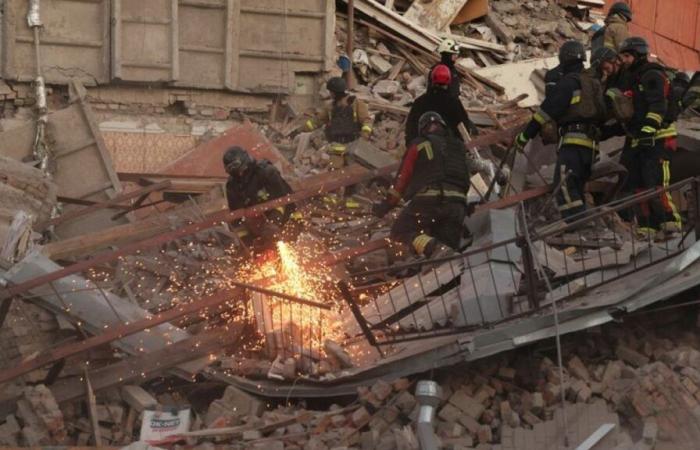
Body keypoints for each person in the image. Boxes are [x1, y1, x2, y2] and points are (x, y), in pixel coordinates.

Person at [372, 112, 499, 259]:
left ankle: (432, 247)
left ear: (423, 129)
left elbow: (402, 180)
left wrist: (386, 205)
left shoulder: (419, 144)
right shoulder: (458, 147)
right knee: (447, 255)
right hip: (457, 206)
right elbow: (472, 168)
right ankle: (441, 263)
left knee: (400, 231)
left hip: (429, 201)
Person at [513, 40, 607, 221]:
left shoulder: (567, 84)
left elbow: (544, 113)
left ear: (564, 59)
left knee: (564, 185)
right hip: (591, 147)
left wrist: (525, 136)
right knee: (577, 186)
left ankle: (575, 224)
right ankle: (582, 223)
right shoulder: (593, 84)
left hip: (572, 144)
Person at [615, 36, 681, 237]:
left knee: (657, 183)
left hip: (659, 137)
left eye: (627, 56)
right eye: (622, 56)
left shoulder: (652, 74)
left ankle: (670, 224)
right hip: (640, 139)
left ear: (639, 55)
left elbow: (657, 105)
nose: (624, 60)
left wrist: (647, 129)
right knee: (638, 185)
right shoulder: (632, 78)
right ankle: (647, 226)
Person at [223, 146, 296, 246]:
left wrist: (273, 222)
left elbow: (283, 200)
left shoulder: (266, 172)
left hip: (288, 219)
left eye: (241, 169)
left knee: (295, 244)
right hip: (261, 228)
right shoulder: (232, 186)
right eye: (235, 172)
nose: (240, 174)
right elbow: (237, 217)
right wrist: (246, 241)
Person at [305, 77, 373, 169]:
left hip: (353, 148)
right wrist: (301, 129)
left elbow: (367, 121)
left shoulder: (357, 104)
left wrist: (364, 135)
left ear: (335, 92)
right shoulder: (330, 107)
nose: (330, 94)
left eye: (331, 92)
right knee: (335, 173)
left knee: (355, 173)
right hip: (336, 150)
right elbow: (318, 120)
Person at [405, 64, 478, 146]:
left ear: (431, 79)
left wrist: (411, 146)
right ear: (449, 81)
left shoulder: (420, 101)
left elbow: (411, 127)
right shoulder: (453, 102)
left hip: (423, 147)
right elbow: (464, 126)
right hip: (448, 149)